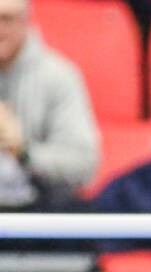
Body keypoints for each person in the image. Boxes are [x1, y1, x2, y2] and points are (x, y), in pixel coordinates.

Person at [0, 0, 97, 214]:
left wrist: (23, 151)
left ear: (25, 22)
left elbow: (83, 164)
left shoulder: (58, 77)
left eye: (6, 19)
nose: (0, 29)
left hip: (41, 210)